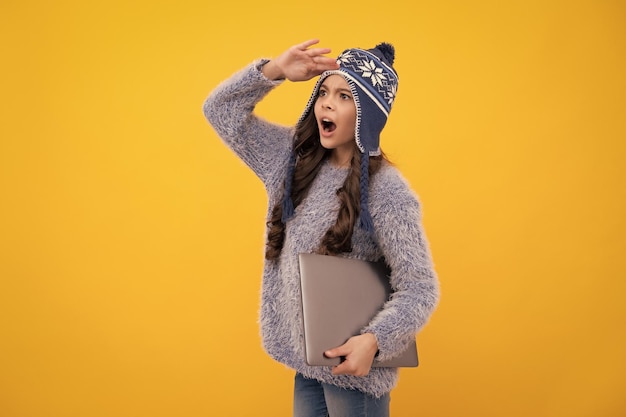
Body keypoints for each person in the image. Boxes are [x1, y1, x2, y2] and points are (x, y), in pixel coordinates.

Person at [203, 39, 439, 417]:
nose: (326, 103)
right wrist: (275, 70)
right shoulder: (290, 160)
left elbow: (420, 287)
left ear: (368, 115)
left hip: (356, 372)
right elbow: (220, 110)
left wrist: (375, 341)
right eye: (324, 92)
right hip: (308, 360)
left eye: (345, 96)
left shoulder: (387, 190)